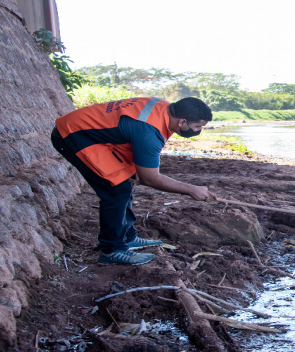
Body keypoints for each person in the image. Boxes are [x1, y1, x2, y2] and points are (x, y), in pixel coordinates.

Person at [51, 97, 217, 265]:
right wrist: (191, 189)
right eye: (197, 127)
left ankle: (127, 237)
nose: (198, 131)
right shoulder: (148, 131)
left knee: (127, 182)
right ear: (182, 121)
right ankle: (112, 250)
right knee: (116, 190)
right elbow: (150, 178)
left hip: (99, 134)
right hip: (72, 135)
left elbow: (132, 138)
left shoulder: (164, 108)